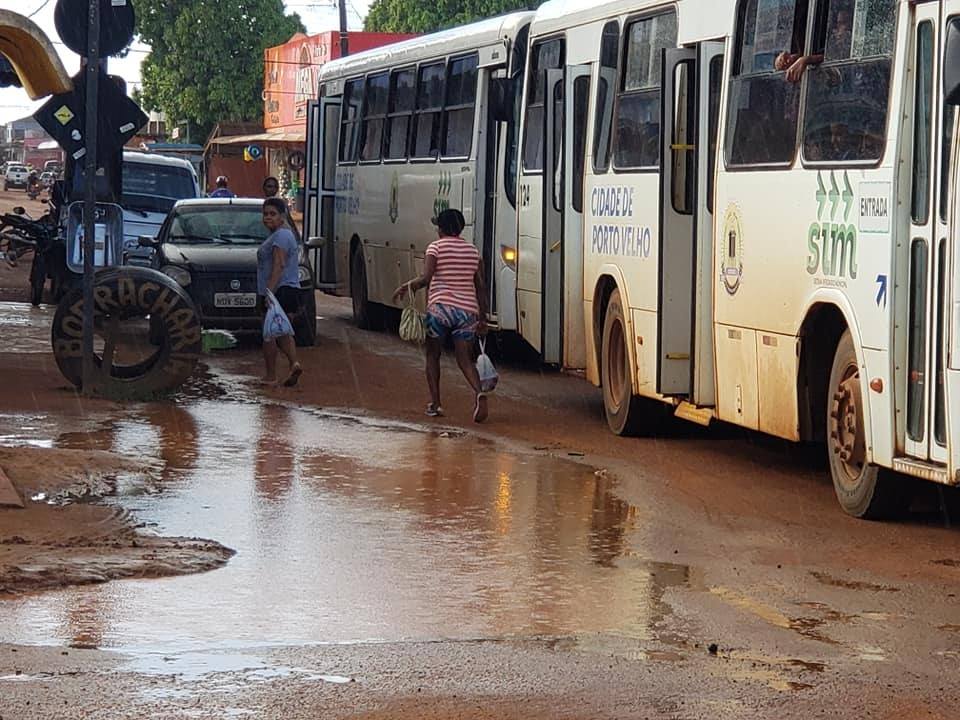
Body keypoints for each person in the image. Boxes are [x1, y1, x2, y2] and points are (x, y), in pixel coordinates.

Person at [393, 208, 489, 423]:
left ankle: (436, 404)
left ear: (441, 228)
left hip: (440, 310)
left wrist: (406, 287)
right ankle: (478, 392)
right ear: (461, 228)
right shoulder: (473, 251)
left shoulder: (435, 248)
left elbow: (426, 278)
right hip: (467, 311)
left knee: (432, 356)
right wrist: (482, 318)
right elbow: (480, 287)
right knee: (465, 359)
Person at [257, 197, 303, 387]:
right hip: (288, 291)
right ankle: (294, 364)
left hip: (279, 291)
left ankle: (270, 376)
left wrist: (269, 292)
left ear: (282, 216)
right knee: (283, 332)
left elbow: (279, 264)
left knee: (269, 335)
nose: (268, 218)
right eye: (265, 214)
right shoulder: (283, 235)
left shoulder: (281, 237)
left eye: (272, 214)